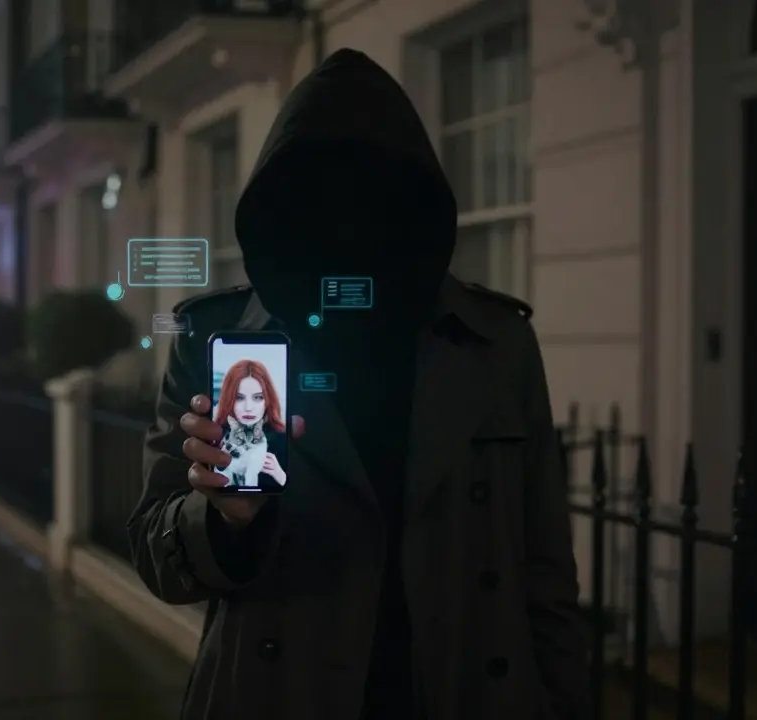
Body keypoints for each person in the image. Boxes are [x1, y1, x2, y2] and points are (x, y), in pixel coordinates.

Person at [129, 48, 590, 720]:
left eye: (372, 198)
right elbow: (154, 551)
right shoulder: (216, 337)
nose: (347, 225)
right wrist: (225, 520)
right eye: (318, 199)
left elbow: (547, 574)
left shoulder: (497, 342)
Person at [213, 359, 288, 489]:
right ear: (229, 399)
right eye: (239, 398)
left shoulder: (282, 440)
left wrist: (280, 475)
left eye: (258, 397)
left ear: (268, 400)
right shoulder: (216, 435)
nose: (248, 407)